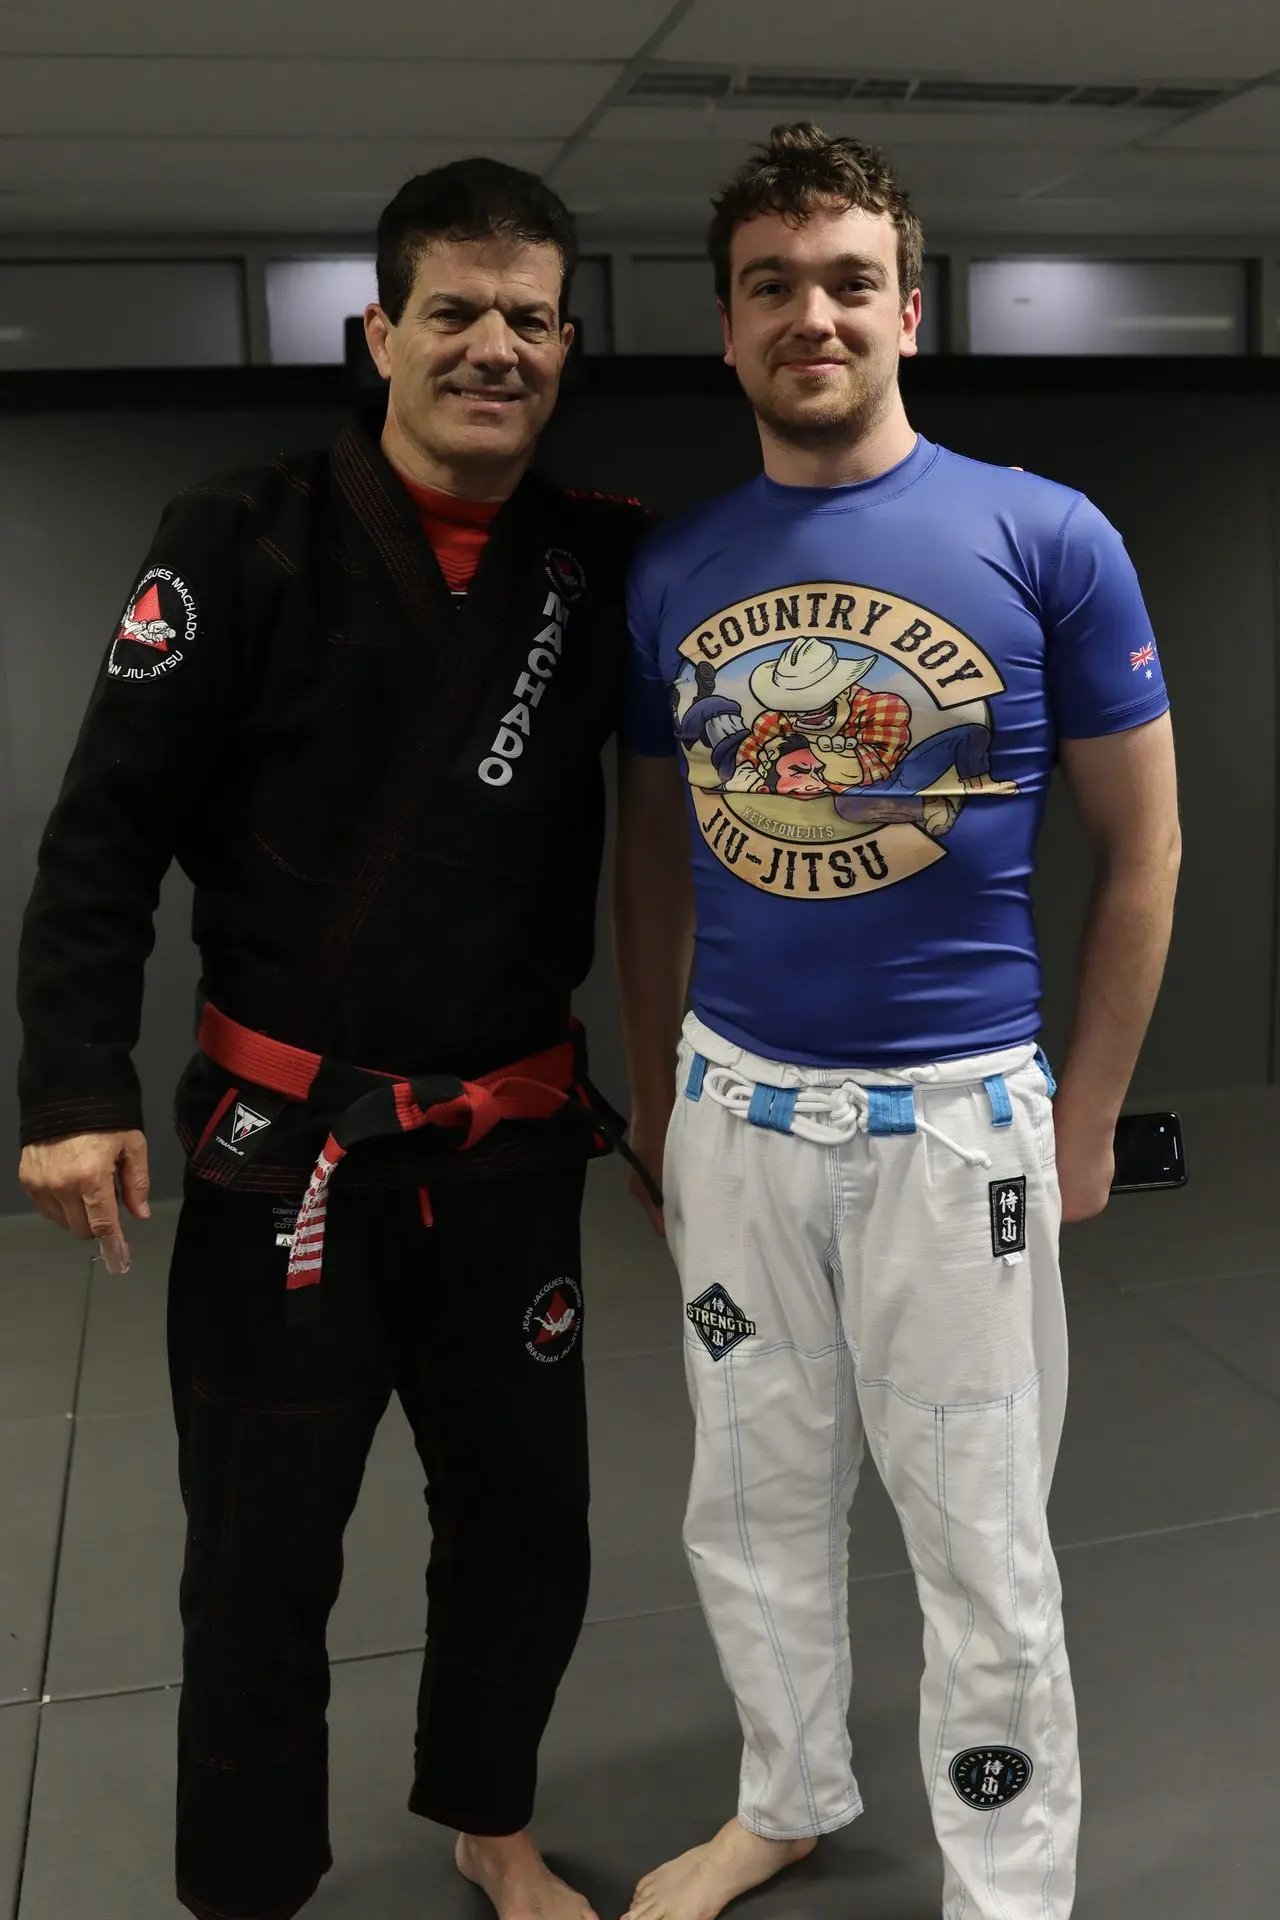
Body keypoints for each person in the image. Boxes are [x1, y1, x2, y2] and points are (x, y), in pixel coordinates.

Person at [16, 157, 649, 1920]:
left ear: (568, 341)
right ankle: (246, 1885)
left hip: (508, 1148)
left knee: (529, 1532)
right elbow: (100, 834)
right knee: (257, 1562)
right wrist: (75, 1083)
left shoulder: (595, 562)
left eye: (529, 317)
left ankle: (489, 1819)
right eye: (453, 311)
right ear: (378, 332)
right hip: (277, 1151)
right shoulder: (240, 532)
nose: (492, 347)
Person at [614, 122, 1180, 1920]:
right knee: (748, 1504)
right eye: (772, 286)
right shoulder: (675, 567)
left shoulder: (1045, 535)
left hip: (958, 1132)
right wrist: (655, 1105)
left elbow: (1147, 848)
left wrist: (1089, 1117)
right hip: (737, 1115)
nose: (814, 314)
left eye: (849, 279)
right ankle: (784, 1793)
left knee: (980, 1536)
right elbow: (653, 870)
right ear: (726, 327)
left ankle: (1006, 1889)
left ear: (908, 309)